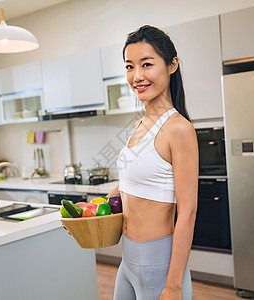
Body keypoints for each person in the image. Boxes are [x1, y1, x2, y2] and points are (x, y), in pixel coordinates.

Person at [106, 25, 199, 300]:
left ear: (172, 65)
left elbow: (188, 213)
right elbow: (129, 186)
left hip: (158, 264)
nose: (137, 76)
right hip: (128, 259)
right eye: (129, 66)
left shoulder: (179, 130)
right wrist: (88, 210)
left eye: (147, 64)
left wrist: (173, 286)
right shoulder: (140, 125)